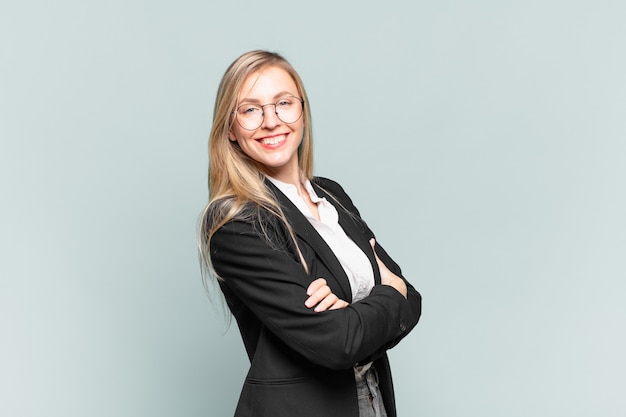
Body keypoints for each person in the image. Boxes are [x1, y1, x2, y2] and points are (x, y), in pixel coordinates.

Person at [198, 50, 422, 417]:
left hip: (371, 399)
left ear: (302, 112)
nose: (271, 121)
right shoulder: (235, 222)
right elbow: (340, 341)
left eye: (283, 103)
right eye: (251, 110)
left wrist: (356, 311)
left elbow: (411, 298)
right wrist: (386, 293)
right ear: (230, 129)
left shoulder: (332, 194)